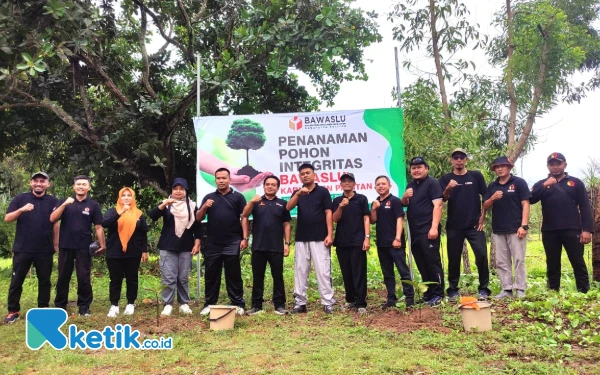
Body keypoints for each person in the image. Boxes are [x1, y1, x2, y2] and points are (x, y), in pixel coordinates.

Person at [530, 152, 594, 293]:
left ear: (565, 165)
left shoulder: (575, 183)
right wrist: (545, 185)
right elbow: (530, 199)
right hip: (549, 230)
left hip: (572, 229)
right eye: (552, 164)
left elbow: (585, 206)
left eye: (558, 164)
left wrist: (587, 230)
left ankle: (584, 292)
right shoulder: (541, 184)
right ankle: (553, 291)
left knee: (577, 262)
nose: (555, 167)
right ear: (548, 166)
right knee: (552, 263)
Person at [3, 172, 59, 324]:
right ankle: (13, 311)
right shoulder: (20, 199)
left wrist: (55, 243)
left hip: (45, 249)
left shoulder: (53, 201)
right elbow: (7, 218)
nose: (39, 183)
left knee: (45, 280)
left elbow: (55, 223)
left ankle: (43, 308)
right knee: (16, 280)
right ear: (31, 183)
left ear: (48, 184)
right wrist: (21, 209)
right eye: (36, 181)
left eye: (42, 181)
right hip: (23, 248)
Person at [439, 148, 491, 301]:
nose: (459, 160)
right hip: (454, 225)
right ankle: (453, 290)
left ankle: (483, 289)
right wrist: (448, 188)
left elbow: (486, 197)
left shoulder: (475, 176)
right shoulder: (446, 178)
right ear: (452, 161)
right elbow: (443, 199)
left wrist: (482, 216)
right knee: (454, 258)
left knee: (481, 255)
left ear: (466, 160)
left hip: (475, 225)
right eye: (456, 158)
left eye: (462, 157)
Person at [51, 175, 105, 316]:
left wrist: (102, 244)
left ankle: (84, 307)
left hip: (84, 246)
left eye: (84, 184)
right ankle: (60, 305)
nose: (81, 186)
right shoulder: (65, 201)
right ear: (74, 187)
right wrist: (64, 205)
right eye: (78, 184)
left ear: (89, 187)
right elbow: (52, 218)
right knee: (63, 276)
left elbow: (98, 226)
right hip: (66, 245)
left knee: (84, 276)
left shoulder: (93, 205)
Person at [197, 168, 248, 316]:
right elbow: (198, 218)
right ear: (215, 180)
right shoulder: (209, 197)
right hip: (212, 243)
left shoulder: (238, 197)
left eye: (224, 178)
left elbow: (243, 218)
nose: (221, 180)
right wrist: (205, 207)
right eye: (218, 178)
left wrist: (244, 238)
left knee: (233, 275)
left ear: (229, 179)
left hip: (233, 241)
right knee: (211, 275)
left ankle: (238, 303)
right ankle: (209, 304)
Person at [286, 163, 335, 314]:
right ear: (299, 176)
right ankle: (300, 303)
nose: (305, 175)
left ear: (314, 175)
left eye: (308, 173)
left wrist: (330, 234)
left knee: (323, 270)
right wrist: (298, 194)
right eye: (302, 173)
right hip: (301, 237)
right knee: (300, 270)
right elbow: (288, 207)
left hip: (320, 237)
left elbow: (328, 213)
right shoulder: (298, 192)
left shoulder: (323, 192)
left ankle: (327, 302)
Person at [149, 178, 200, 316]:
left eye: (181, 189)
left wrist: (197, 242)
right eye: (175, 188)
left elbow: (197, 226)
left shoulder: (193, 205)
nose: (178, 191)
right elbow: (152, 215)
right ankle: (168, 304)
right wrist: (164, 203)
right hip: (167, 246)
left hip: (186, 246)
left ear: (185, 191)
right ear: (171, 190)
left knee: (183, 277)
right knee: (168, 277)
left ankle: (184, 303)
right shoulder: (166, 204)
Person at [242, 176, 292, 315]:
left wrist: (287, 243)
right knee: (258, 277)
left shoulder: (282, 203)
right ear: (264, 186)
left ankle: (279, 305)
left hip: (276, 246)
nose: (270, 186)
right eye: (268, 184)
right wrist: (251, 202)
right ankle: (256, 306)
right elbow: (244, 215)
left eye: (273, 185)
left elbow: (287, 224)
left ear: (277, 187)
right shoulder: (257, 202)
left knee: (278, 276)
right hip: (258, 246)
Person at [483, 156, 531, 299]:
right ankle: (507, 289)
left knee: (518, 259)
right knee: (502, 261)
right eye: (497, 167)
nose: (500, 168)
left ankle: (520, 288)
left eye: (503, 166)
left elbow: (526, 204)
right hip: (498, 229)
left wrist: (524, 225)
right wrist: (492, 198)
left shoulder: (519, 183)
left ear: (509, 167)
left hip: (516, 228)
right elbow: (485, 205)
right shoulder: (492, 186)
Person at [401, 157, 444, 306]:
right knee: (421, 263)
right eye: (413, 168)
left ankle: (438, 294)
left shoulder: (432, 183)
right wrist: (405, 196)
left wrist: (433, 227)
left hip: (428, 229)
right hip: (415, 231)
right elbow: (404, 204)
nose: (416, 170)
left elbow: (438, 205)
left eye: (419, 167)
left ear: (426, 169)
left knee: (432, 262)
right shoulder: (411, 185)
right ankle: (429, 293)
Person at [102, 187, 149, 317]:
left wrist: (144, 251)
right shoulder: (112, 212)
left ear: (133, 198)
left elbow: (143, 233)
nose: (126, 197)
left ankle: (130, 303)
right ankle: (114, 305)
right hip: (114, 251)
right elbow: (105, 224)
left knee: (132, 278)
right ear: (119, 198)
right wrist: (120, 212)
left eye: (129, 195)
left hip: (133, 251)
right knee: (115, 279)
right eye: (124, 195)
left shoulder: (138, 214)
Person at [371, 175, 414, 309]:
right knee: (387, 273)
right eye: (378, 184)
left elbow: (399, 220)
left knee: (403, 271)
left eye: (384, 183)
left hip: (395, 243)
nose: (381, 186)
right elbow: (372, 220)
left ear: (389, 186)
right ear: (375, 187)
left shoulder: (395, 201)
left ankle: (410, 299)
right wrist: (373, 209)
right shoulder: (376, 202)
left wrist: (397, 238)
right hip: (381, 243)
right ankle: (391, 299)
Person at [332, 173, 370, 314]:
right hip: (342, 242)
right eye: (344, 181)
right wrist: (341, 206)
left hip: (358, 241)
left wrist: (367, 237)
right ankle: (350, 300)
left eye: (349, 181)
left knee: (359, 272)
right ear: (341, 185)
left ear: (354, 184)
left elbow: (366, 218)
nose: (347, 183)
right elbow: (334, 219)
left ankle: (361, 303)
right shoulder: (337, 200)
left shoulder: (361, 199)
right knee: (346, 272)